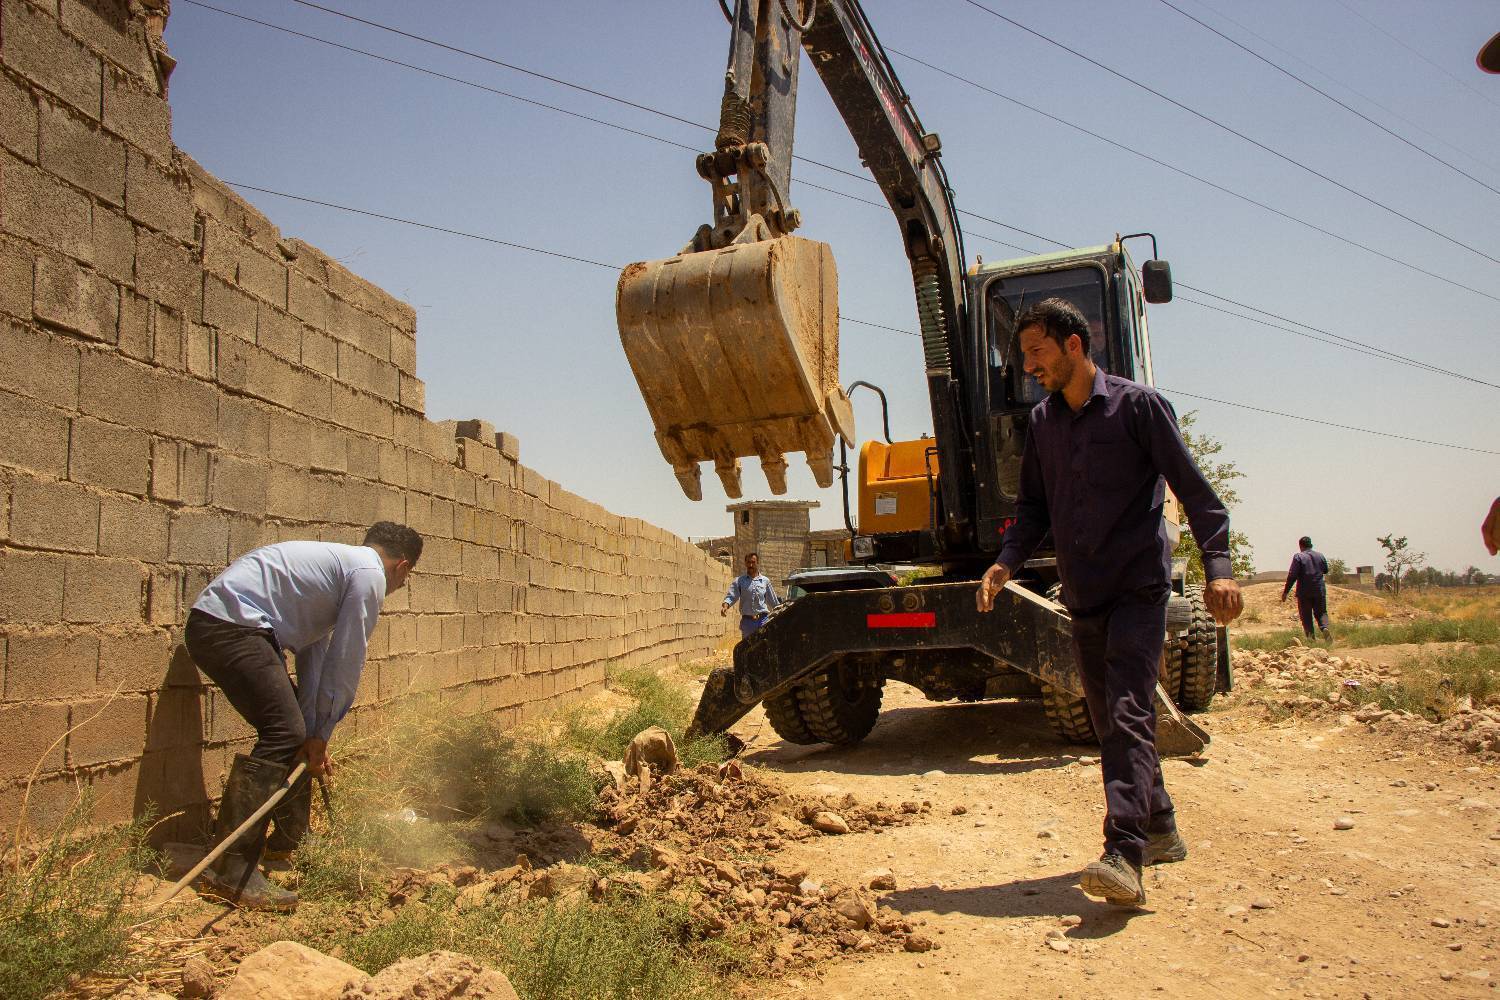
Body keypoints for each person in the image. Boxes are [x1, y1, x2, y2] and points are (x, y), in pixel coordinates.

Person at [975, 298, 1242, 908]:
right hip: (1085, 595)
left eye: (1037, 352)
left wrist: (1219, 570)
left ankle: (1124, 851)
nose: (1029, 366)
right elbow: (1034, 512)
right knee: (1108, 720)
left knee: (1126, 712)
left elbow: (1197, 494)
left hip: (1139, 591)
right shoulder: (1043, 424)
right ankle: (1161, 823)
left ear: (1075, 345)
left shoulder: (1138, 407)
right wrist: (1004, 564)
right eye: (1024, 356)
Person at [184, 522, 423, 909]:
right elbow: (346, 661)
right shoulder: (368, 577)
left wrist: (315, 733)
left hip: (223, 625)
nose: (399, 587)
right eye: (404, 579)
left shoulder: (339, 573)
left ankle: (291, 840)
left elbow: (314, 660)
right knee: (283, 731)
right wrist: (320, 732)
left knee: (293, 730)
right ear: (402, 567)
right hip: (230, 627)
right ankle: (230, 868)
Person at [720, 552, 781, 638]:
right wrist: (725, 606)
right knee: (747, 648)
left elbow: (773, 601)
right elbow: (731, 596)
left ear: (757, 563)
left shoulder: (765, 581)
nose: (751, 565)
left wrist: (781, 611)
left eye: (753, 562)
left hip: (763, 620)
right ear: (745, 563)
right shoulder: (739, 581)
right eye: (748, 562)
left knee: (763, 646)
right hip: (747, 622)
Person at [1281, 536, 1331, 639]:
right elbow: (1326, 570)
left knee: (1306, 615)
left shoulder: (1298, 557)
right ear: (1311, 545)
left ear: (1300, 546)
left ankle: (1311, 638)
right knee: (1321, 612)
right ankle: (1324, 627)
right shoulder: (1320, 556)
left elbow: (1292, 575)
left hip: (1304, 591)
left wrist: (1286, 592)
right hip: (1319, 589)